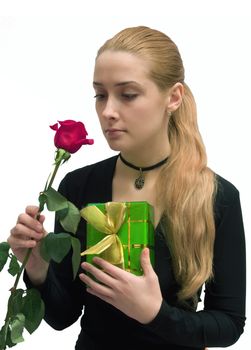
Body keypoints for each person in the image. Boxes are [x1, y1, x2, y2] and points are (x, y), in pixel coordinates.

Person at [8, 26, 246, 349]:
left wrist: (155, 314)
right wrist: (37, 268)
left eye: (128, 95)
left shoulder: (218, 197)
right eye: (100, 95)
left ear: (173, 98)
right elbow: (63, 316)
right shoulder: (77, 186)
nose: (108, 112)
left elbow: (229, 324)